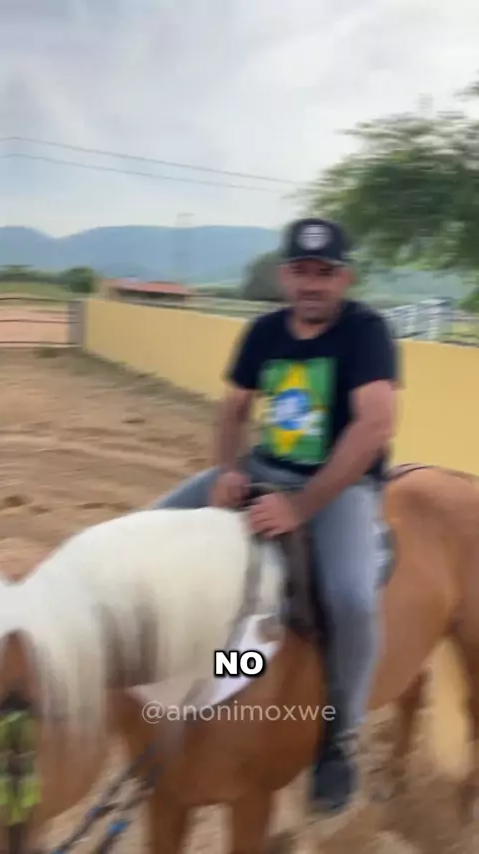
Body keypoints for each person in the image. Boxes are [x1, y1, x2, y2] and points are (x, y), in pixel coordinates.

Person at [150, 216, 398, 813]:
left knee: (351, 598)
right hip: (264, 468)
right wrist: (227, 469)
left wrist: (301, 506)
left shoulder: (367, 332)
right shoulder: (263, 331)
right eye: (301, 271)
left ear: (345, 279)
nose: (312, 283)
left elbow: (375, 425)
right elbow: (232, 409)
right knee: (147, 530)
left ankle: (340, 736)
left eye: (325, 272)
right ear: (285, 276)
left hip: (339, 487)